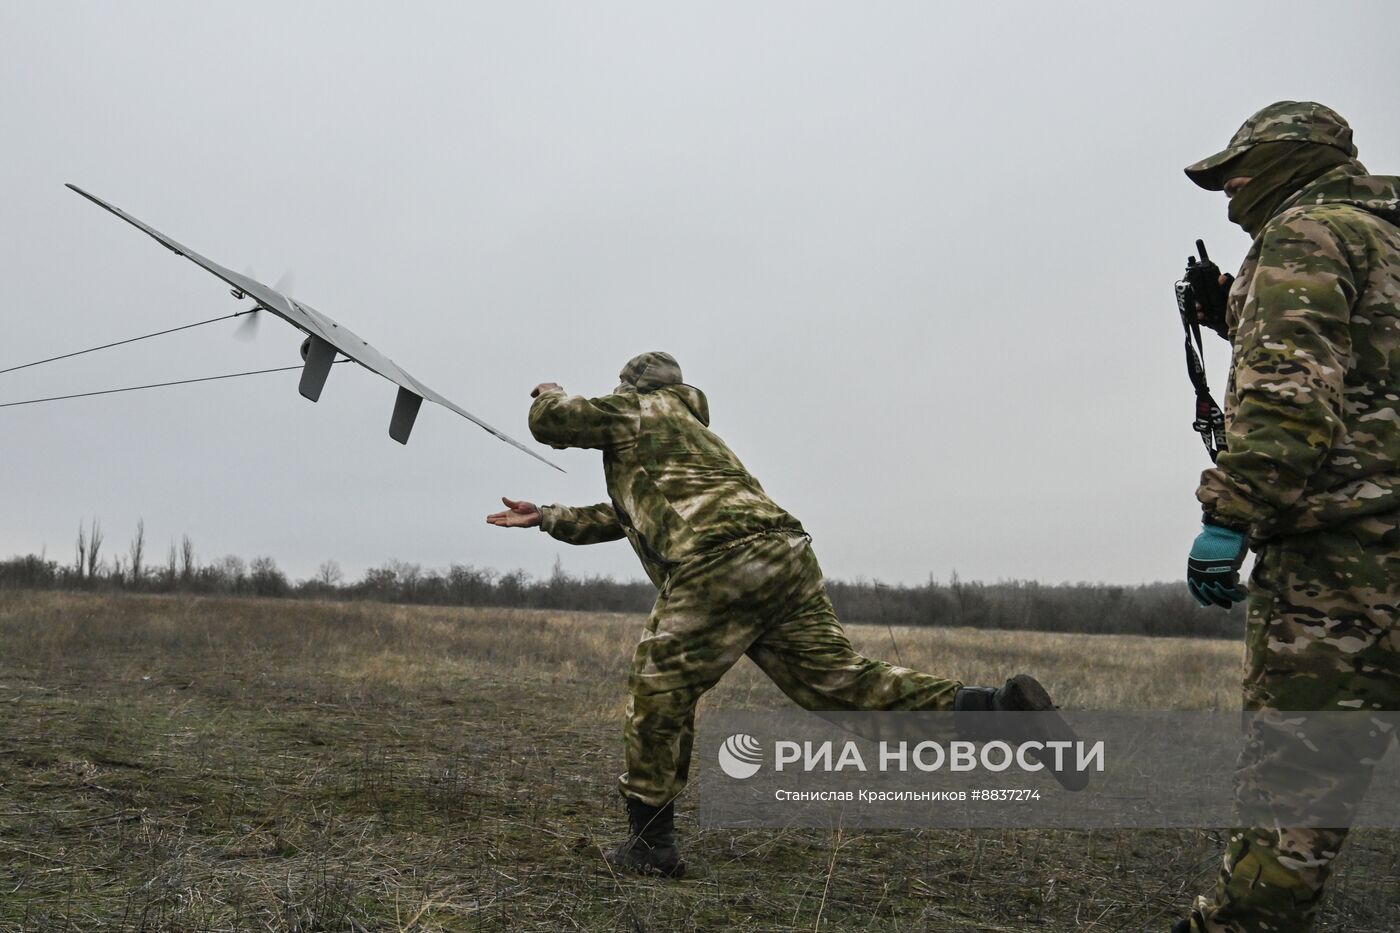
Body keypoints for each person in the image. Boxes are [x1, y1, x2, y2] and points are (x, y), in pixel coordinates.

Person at [487, 351, 1080, 877]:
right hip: (785, 556)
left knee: (658, 689)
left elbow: (553, 422)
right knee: (842, 686)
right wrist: (546, 516)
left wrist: (549, 394)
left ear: (631, 387)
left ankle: (650, 845)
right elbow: (624, 516)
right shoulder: (687, 439)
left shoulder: (641, 408)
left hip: (722, 563)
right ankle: (1000, 712)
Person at [1175, 101, 1400, 933]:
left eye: (1241, 166)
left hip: (1346, 563)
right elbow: (1373, 363)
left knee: (1297, 792)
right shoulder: (1385, 236)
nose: (1230, 186)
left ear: (1292, 162)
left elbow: (1293, 399)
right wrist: (1234, 309)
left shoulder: (1303, 236)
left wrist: (1229, 517)